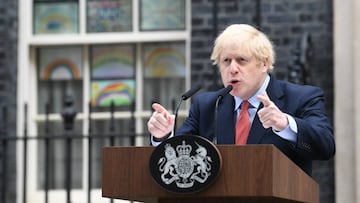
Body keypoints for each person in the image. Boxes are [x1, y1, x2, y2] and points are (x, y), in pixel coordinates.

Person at [147, 24, 335, 176]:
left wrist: (285, 124)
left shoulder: (302, 98)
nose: (233, 69)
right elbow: (179, 159)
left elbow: (325, 148)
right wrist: (163, 136)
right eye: (226, 61)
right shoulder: (206, 106)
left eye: (241, 60)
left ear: (264, 63)